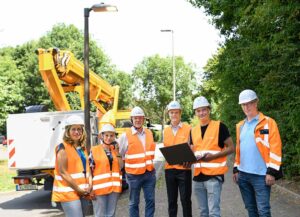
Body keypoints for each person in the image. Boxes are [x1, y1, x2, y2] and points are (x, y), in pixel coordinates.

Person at [233, 89, 282, 217]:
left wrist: (272, 172)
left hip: (261, 176)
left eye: (249, 103)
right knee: (251, 209)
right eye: (243, 104)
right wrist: (235, 168)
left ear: (256, 103)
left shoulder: (268, 123)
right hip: (243, 175)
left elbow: (276, 148)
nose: (246, 107)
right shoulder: (240, 126)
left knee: (263, 210)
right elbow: (239, 149)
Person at [191, 96, 234, 217]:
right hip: (198, 177)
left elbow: (231, 148)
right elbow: (193, 151)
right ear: (195, 113)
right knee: (203, 212)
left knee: (214, 212)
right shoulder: (193, 131)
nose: (201, 113)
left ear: (209, 110)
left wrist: (213, 157)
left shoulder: (220, 126)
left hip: (213, 177)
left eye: (204, 109)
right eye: (198, 110)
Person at [118, 106, 156, 217]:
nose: (138, 120)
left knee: (150, 201)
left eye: (140, 118)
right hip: (133, 176)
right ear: (132, 120)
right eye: (135, 118)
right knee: (134, 203)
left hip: (149, 173)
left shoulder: (149, 133)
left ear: (143, 119)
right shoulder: (125, 136)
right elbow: (120, 154)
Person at [51, 115, 91, 217]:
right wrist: (78, 189)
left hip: (84, 191)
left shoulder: (82, 148)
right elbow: (63, 172)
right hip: (69, 192)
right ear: (68, 131)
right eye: (73, 129)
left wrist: (90, 185)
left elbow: (87, 168)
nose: (77, 132)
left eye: (79, 129)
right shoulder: (62, 148)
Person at [163, 101, 192, 217]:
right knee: (171, 201)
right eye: (171, 113)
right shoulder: (165, 131)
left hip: (184, 170)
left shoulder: (188, 128)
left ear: (180, 113)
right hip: (169, 170)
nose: (174, 115)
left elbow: (192, 148)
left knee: (185, 201)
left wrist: (190, 159)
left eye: (176, 112)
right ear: (168, 114)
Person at [89, 124, 123, 217]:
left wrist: (117, 152)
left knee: (111, 214)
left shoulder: (115, 150)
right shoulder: (94, 150)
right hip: (99, 189)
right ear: (102, 136)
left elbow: (121, 166)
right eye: (106, 135)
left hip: (114, 189)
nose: (109, 138)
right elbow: (89, 171)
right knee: (100, 215)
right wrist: (90, 188)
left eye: (111, 135)